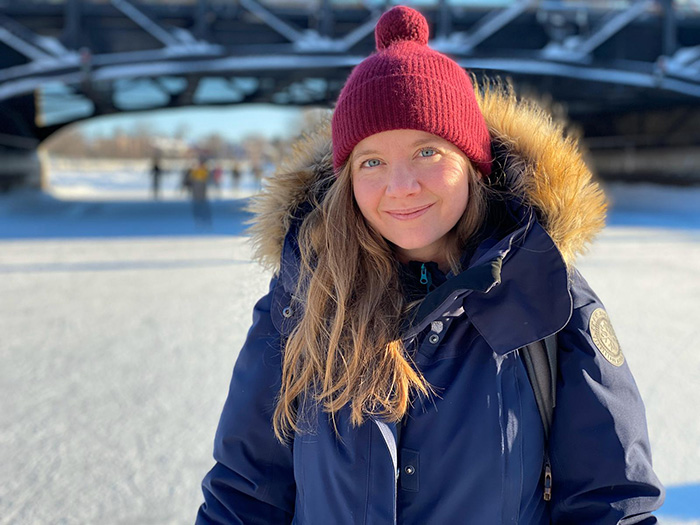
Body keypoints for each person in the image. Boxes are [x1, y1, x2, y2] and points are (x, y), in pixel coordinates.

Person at [196, 6, 663, 524]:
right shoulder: (302, 299)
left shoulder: (545, 293)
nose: (400, 186)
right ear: (347, 179)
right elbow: (244, 494)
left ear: (472, 162)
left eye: (426, 152)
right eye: (371, 161)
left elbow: (611, 504)